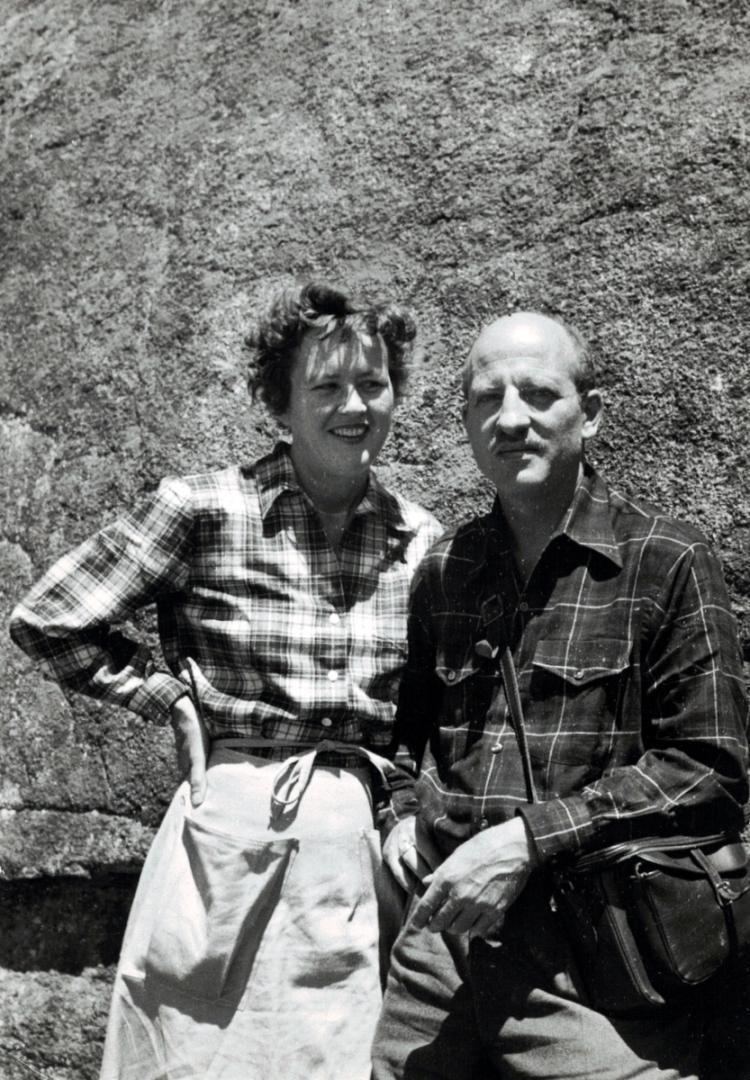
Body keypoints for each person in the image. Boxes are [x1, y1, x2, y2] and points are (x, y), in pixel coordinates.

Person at [9, 281, 443, 1080]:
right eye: (326, 385)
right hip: (227, 838)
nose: (355, 404)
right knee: (197, 1056)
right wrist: (164, 698)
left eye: (373, 383)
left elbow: (431, 713)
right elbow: (49, 617)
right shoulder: (205, 508)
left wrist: (412, 812)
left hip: (357, 850)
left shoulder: (422, 541)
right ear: (281, 404)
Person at [373, 311, 749, 1080]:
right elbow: (403, 740)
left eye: (539, 394)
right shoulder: (446, 568)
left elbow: (712, 767)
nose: (511, 418)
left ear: (592, 413)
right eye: (488, 399)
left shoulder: (665, 558)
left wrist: (525, 842)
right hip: (436, 961)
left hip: (596, 966)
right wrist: (402, 816)